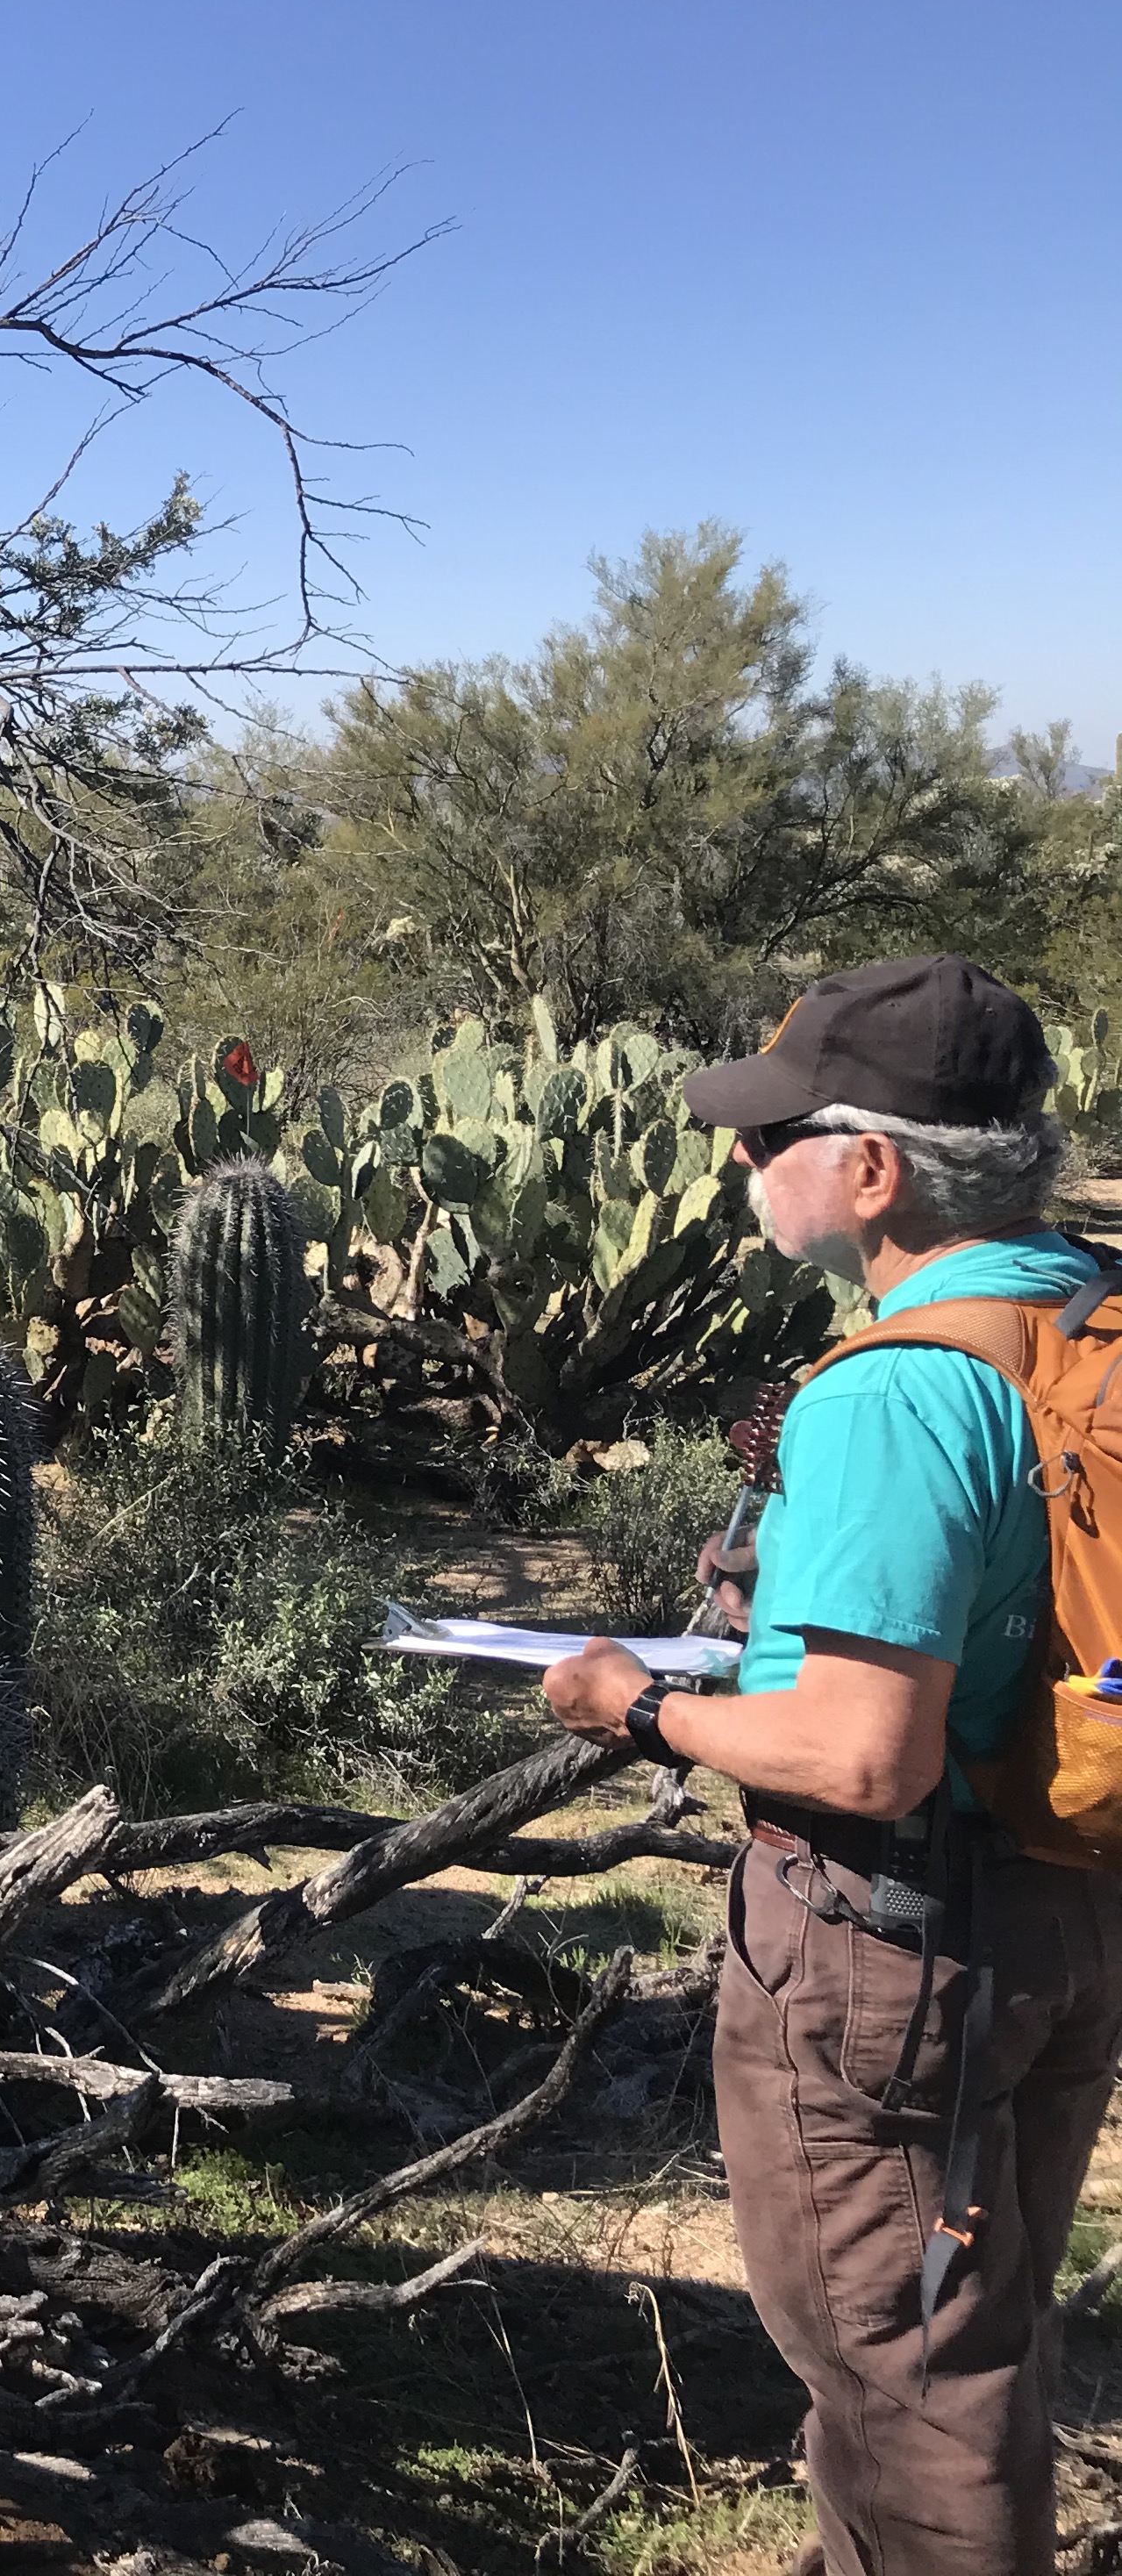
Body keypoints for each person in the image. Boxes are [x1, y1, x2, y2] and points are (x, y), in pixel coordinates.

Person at [540, 953, 1122, 2576]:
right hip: (1068, 1904)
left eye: (770, 1132)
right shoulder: (1081, 1315)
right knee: (976, 2317)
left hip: (894, 1947)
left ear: (871, 1169)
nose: (742, 1158)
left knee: (905, 2376)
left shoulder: (899, 1391)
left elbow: (863, 1756)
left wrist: (634, 1707)